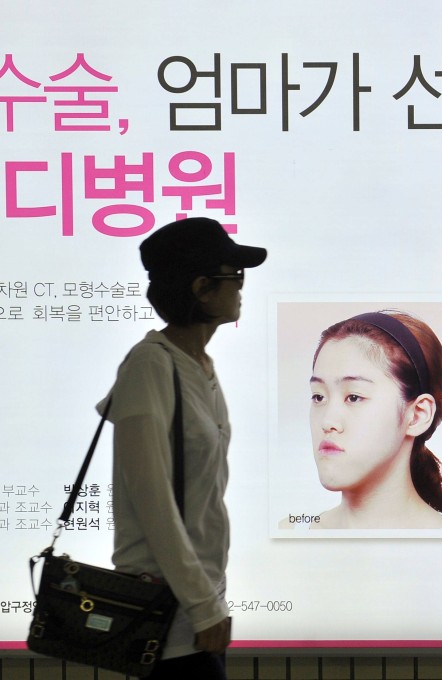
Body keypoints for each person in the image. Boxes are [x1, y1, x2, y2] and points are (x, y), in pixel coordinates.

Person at [99, 217, 266, 678]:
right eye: (235, 276)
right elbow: (153, 500)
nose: (241, 287)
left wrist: (210, 602)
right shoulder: (150, 367)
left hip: (199, 606)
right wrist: (203, 605)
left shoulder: (200, 366)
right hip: (167, 615)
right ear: (201, 288)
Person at [286, 310, 442, 529]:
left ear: (417, 415)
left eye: (354, 397)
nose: (327, 422)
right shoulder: (291, 533)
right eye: (318, 397)